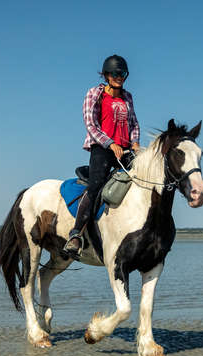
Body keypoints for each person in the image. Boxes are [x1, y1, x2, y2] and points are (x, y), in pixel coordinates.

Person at [63, 54, 140, 257]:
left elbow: (134, 123)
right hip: (102, 148)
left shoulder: (128, 96)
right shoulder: (95, 93)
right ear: (106, 75)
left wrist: (135, 143)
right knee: (96, 186)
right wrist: (110, 143)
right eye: (115, 73)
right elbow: (90, 124)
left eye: (122, 73)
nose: (119, 77)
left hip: (125, 150)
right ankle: (76, 234)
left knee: (145, 176)